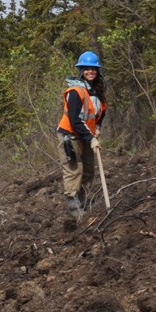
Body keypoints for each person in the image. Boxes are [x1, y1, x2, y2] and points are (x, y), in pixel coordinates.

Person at [56, 50, 108, 216]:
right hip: (70, 135)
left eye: (93, 69)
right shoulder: (75, 92)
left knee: (88, 170)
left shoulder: (96, 91)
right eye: (87, 69)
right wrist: (90, 138)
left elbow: (101, 112)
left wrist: (97, 127)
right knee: (74, 170)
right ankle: (74, 208)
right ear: (81, 70)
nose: (90, 71)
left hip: (86, 136)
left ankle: (82, 200)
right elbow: (74, 119)